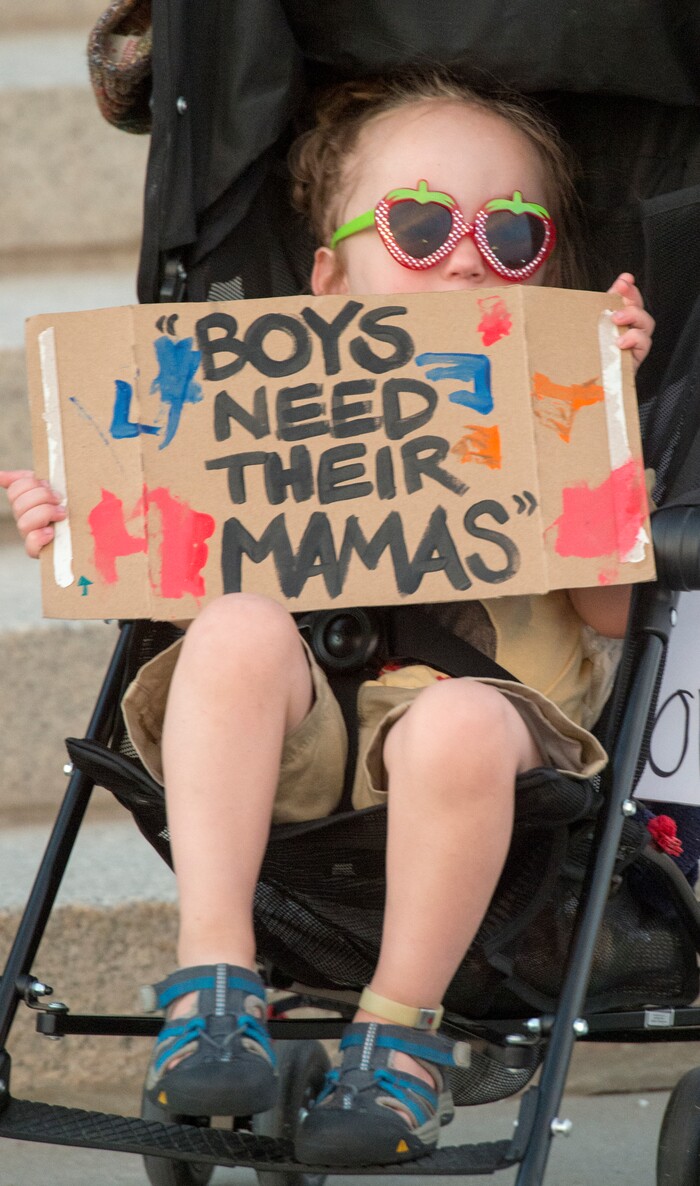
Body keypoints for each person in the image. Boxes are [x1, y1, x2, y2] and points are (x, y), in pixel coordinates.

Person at [0, 74, 655, 1166]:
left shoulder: (560, 409)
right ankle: (214, 976)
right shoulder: (252, 415)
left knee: (450, 723)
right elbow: (153, 572)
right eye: (415, 223)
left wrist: (601, 421)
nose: (463, 256)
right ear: (327, 279)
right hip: (296, 746)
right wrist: (77, 521)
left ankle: (399, 1025)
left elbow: (614, 612)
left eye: (511, 233)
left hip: (485, 754)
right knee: (237, 627)